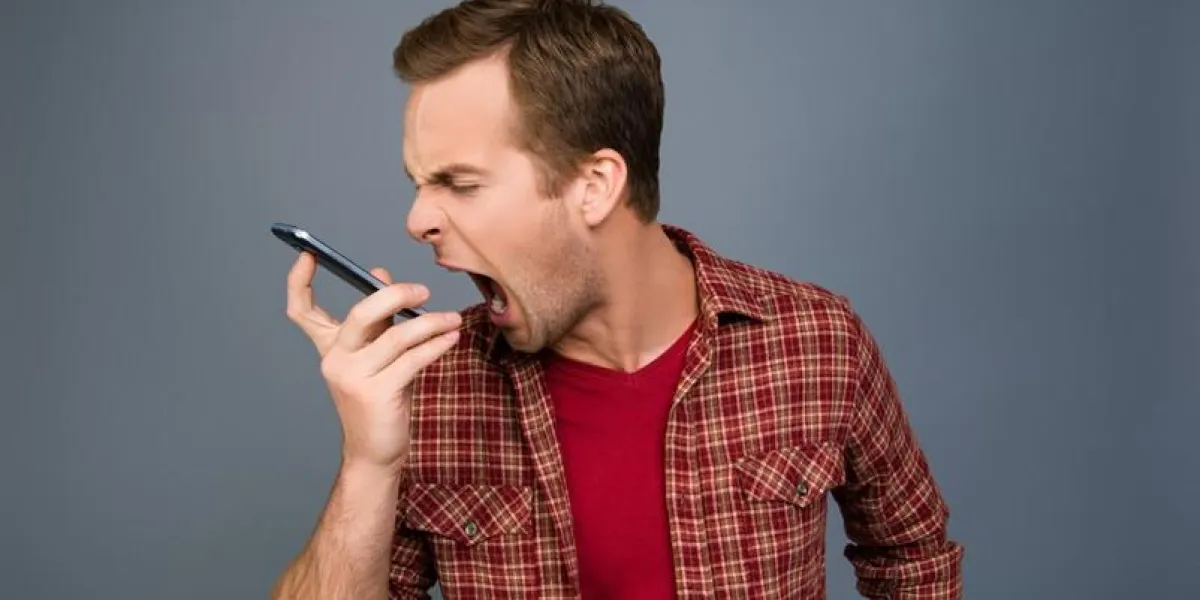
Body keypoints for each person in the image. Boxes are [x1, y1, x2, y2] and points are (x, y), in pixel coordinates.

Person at [270, 1, 964, 598]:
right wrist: (369, 462)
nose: (416, 220)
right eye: (419, 183)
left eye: (461, 183)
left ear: (595, 185)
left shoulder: (817, 341)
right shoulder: (429, 389)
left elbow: (910, 557)